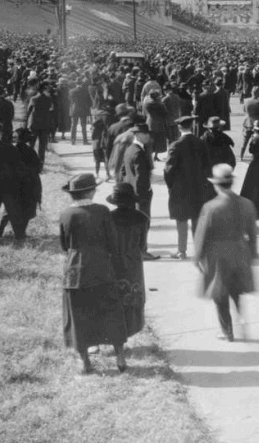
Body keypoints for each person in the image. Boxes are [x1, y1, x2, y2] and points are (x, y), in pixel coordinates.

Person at [59, 173, 128, 374]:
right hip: (101, 267)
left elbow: (65, 245)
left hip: (75, 271)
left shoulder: (65, 214)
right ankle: (120, 356)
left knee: (78, 313)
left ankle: (85, 360)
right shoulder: (102, 211)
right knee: (111, 309)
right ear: (90, 192)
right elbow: (112, 242)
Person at [194, 164, 259, 342]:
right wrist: (253, 253)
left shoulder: (211, 207)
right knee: (237, 290)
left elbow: (202, 234)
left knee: (220, 294)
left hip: (218, 254)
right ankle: (242, 320)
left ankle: (227, 331)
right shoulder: (247, 204)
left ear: (216, 185)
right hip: (240, 250)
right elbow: (253, 232)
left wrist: (197, 257)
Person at [163, 114, 214, 259]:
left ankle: (182, 250)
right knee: (197, 218)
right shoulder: (200, 143)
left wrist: (170, 186)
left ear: (179, 127)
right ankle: (200, 250)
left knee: (181, 219)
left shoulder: (175, 145)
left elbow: (168, 170)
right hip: (199, 187)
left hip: (180, 188)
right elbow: (207, 166)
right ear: (191, 126)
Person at [106, 183, 149, 339]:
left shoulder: (108, 218)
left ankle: (116, 333)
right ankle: (131, 329)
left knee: (115, 296)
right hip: (133, 263)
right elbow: (143, 247)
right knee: (133, 295)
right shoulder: (142, 218)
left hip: (113, 262)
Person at [121, 122, 157, 260]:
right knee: (144, 222)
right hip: (141, 194)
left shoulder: (129, 149)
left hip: (131, 191)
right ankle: (142, 251)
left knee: (135, 223)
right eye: (146, 134)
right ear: (139, 135)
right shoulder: (138, 152)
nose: (148, 136)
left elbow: (123, 171)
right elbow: (141, 176)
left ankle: (136, 249)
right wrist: (145, 190)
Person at [26, 83, 56, 169]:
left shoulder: (33, 99)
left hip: (34, 124)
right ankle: (40, 165)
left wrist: (26, 124)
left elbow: (29, 111)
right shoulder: (48, 99)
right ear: (44, 89)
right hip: (45, 124)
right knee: (42, 147)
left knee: (31, 145)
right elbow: (51, 109)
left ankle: (29, 163)